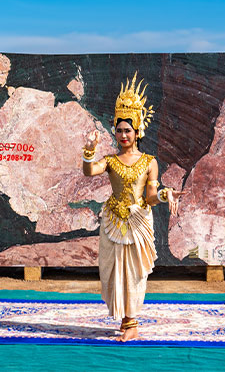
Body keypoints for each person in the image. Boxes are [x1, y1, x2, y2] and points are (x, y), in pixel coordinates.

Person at [82, 72, 184, 342]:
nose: (123, 134)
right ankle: (125, 319)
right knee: (113, 271)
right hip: (114, 220)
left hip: (138, 221)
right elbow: (89, 171)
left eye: (128, 130)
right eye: (119, 129)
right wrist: (89, 149)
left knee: (135, 272)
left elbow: (150, 196)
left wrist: (164, 195)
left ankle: (132, 323)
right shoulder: (110, 161)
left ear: (138, 131)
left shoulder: (149, 161)